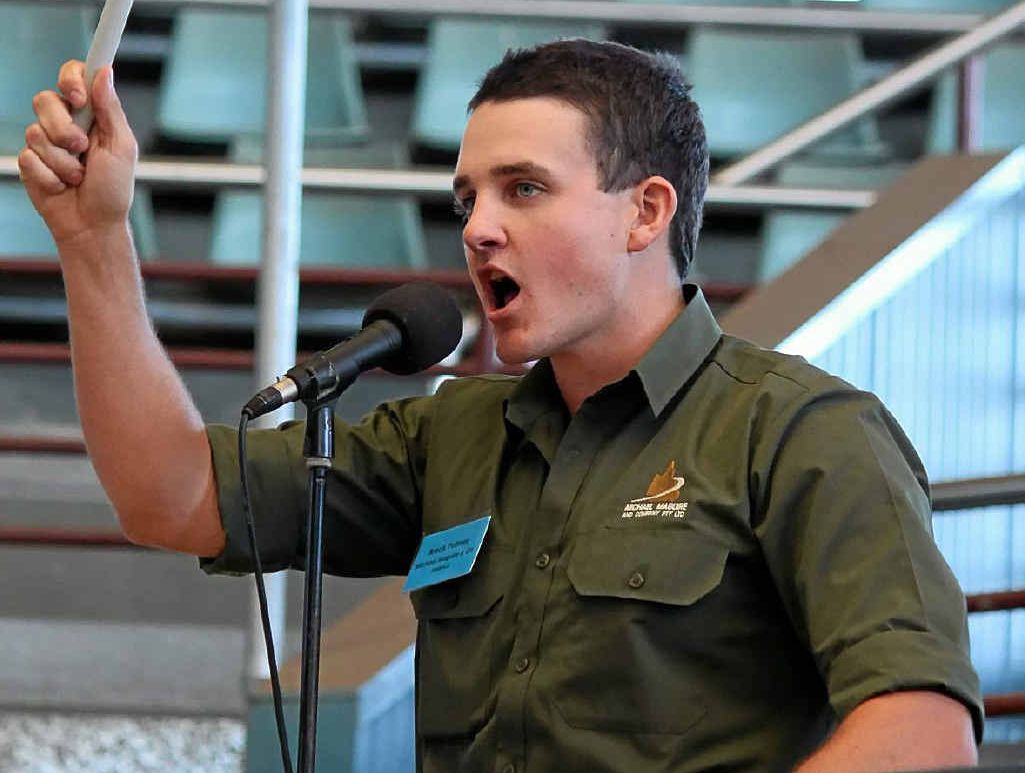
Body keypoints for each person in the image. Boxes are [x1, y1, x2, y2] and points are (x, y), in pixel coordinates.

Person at [20, 38, 982, 773]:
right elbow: (168, 494)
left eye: (524, 189)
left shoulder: (799, 432)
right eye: (466, 199)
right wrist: (96, 240)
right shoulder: (454, 434)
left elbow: (922, 726)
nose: (479, 228)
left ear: (645, 212)